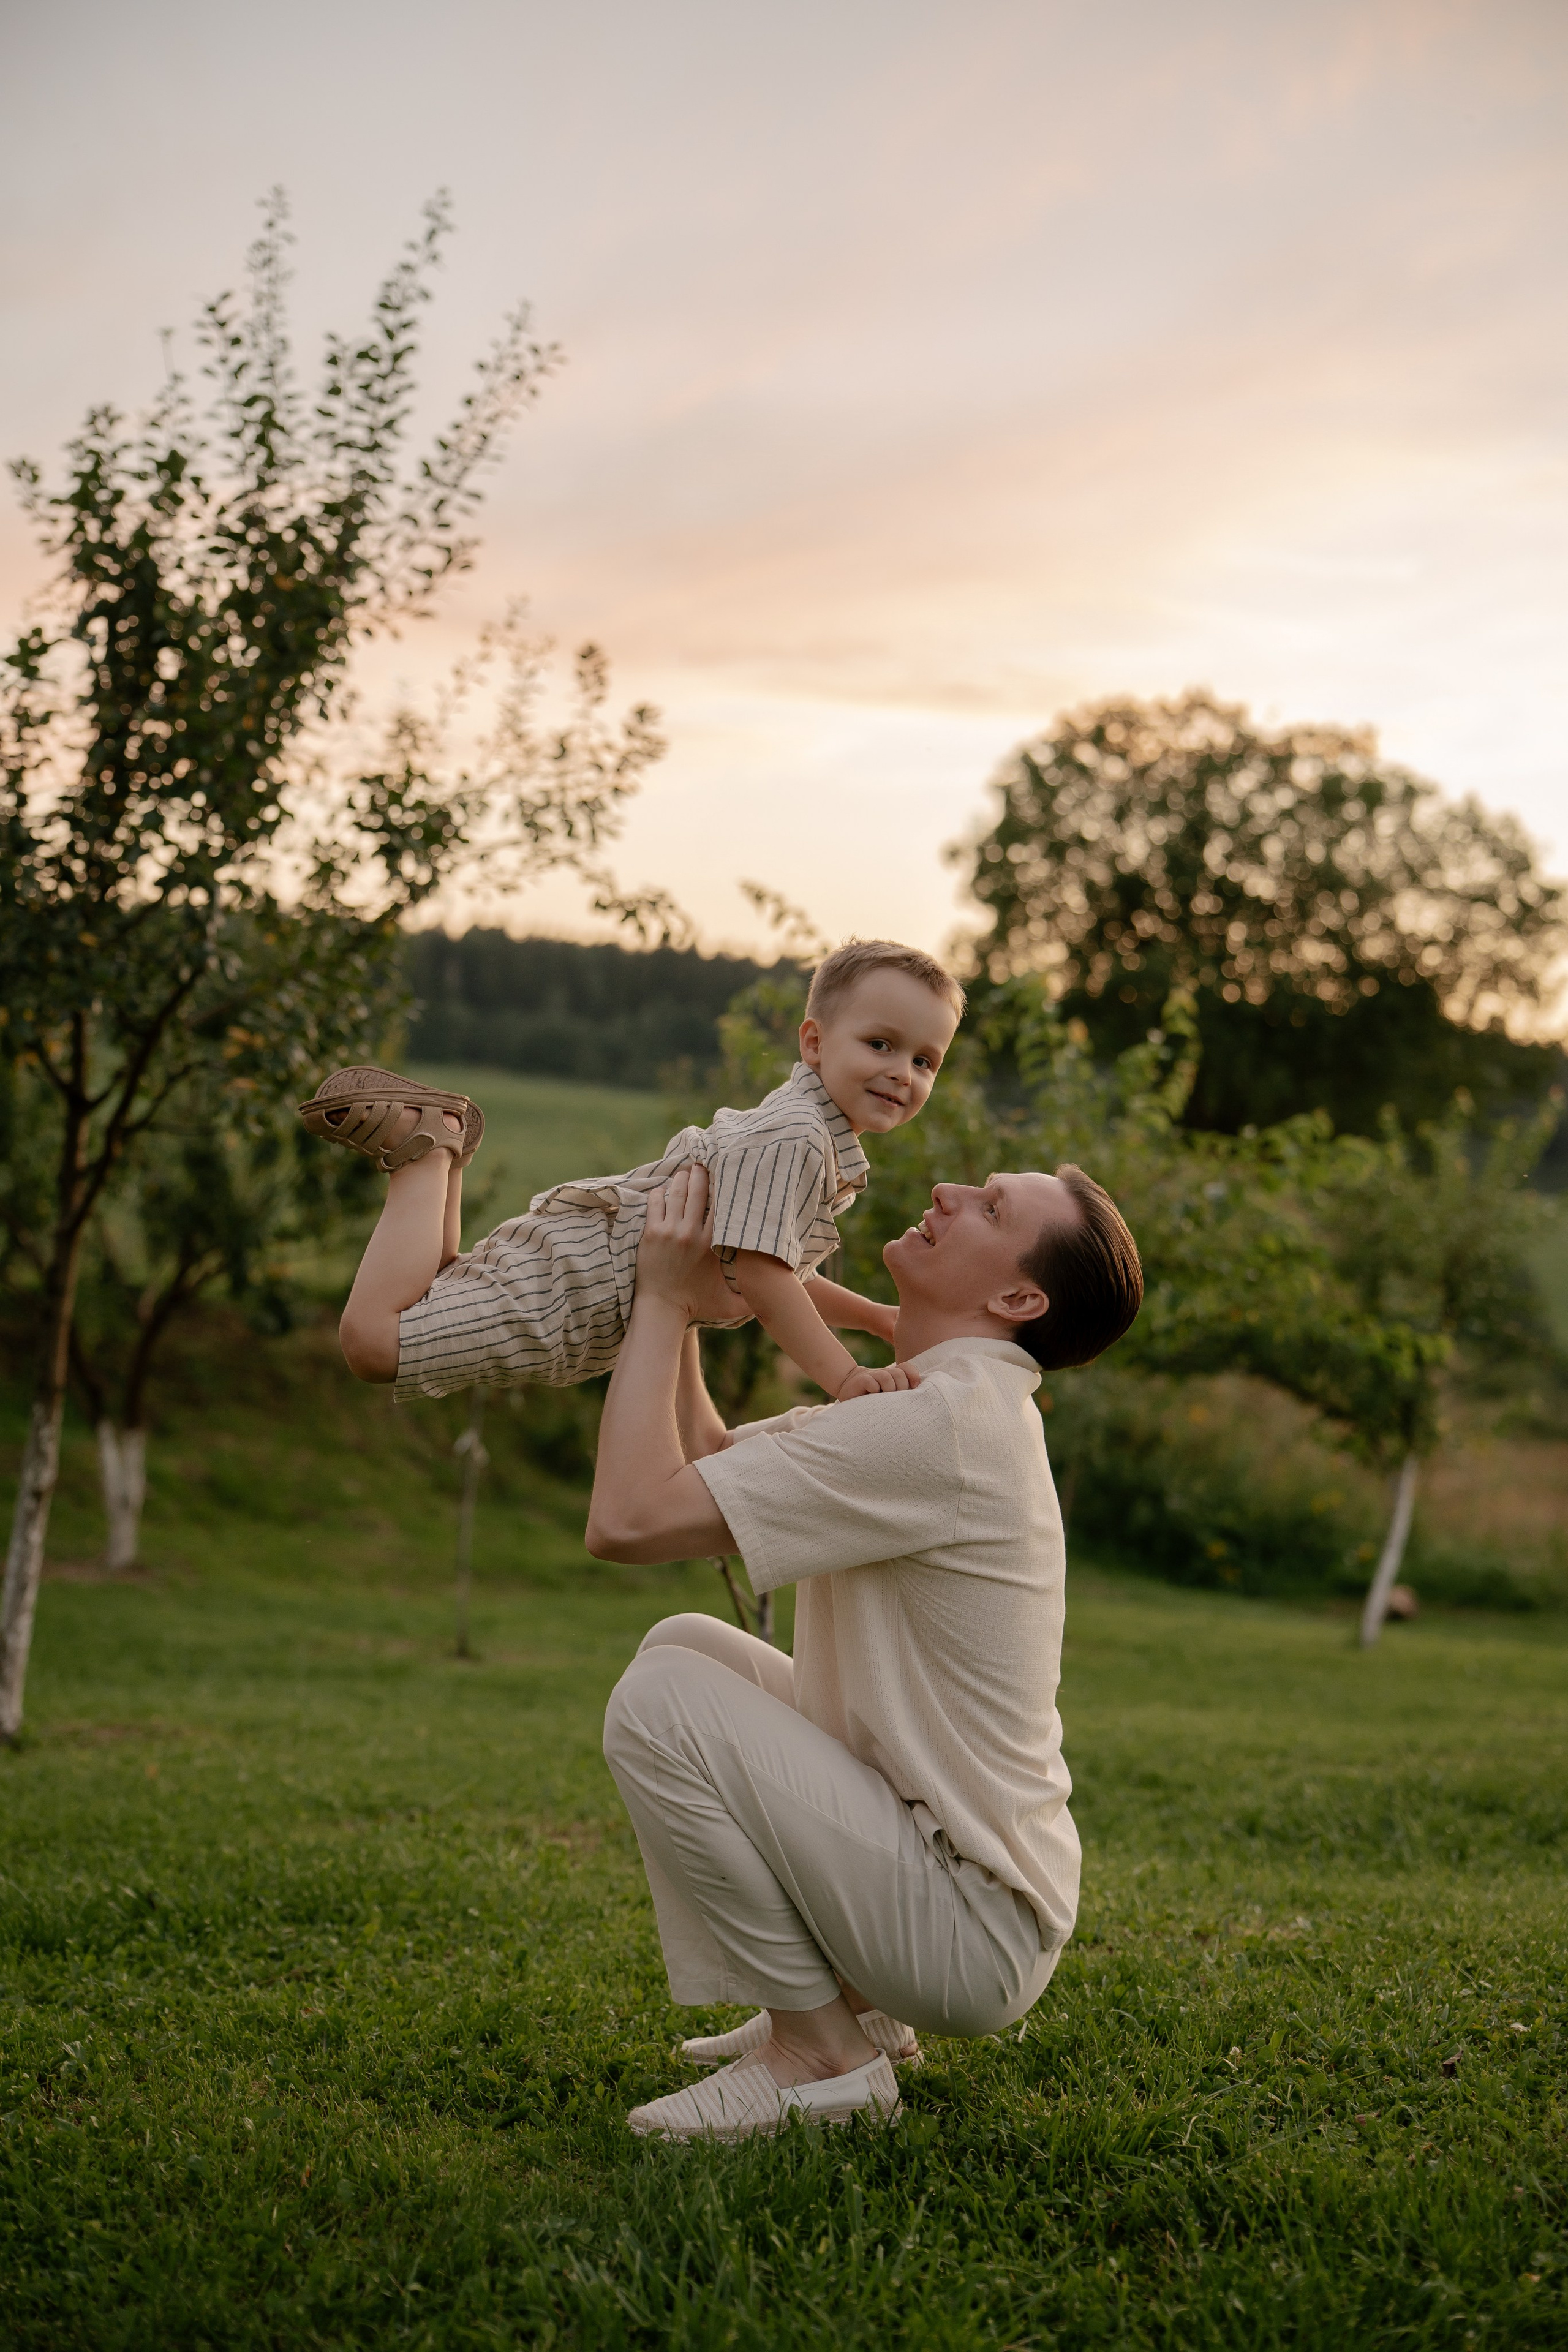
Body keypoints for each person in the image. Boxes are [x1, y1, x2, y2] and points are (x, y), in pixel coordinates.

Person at [587, 1151, 1144, 2142]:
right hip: (951, 1894)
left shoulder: (941, 1425)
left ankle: (820, 2060)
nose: (948, 1193)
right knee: (689, 1648)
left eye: (989, 1206)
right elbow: (714, 1462)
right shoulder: (931, 1401)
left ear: (1019, 1294)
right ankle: (857, 2007)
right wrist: (686, 1299)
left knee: (661, 1697)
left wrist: (661, 1303)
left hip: (969, 1927)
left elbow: (630, 1519)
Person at [296, 940, 963, 1403]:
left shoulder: (810, 1136)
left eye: (925, 1061)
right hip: (577, 1286)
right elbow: (763, 1275)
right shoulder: (796, 1139)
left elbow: (779, 1272)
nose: (901, 1072)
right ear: (814, 1043)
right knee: (376, 1343)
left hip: (580, 1280)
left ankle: (444, 1151)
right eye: (880, 1044)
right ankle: (430, 1149)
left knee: (426, 1290)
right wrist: (844, 1377)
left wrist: (875, 1317)